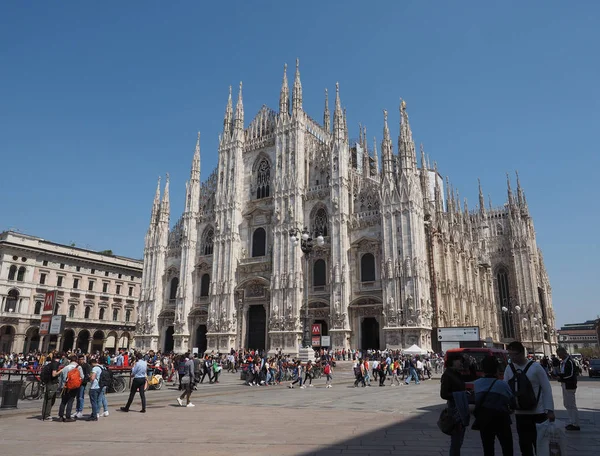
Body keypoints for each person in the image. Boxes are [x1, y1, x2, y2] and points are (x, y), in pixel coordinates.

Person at [503, 341, 554, 456]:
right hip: (520, 412)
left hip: (538, 412)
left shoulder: (536, 367)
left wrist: (549, 409)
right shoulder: (509, 368)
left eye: (513, 354)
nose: (511, 357)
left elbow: (546, 389)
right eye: (509, 354)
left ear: (521, 353)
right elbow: (505, 388)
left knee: (540, 444)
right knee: (524, 445)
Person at [473, 356, 515, 456]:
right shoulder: (502, 385)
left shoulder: (477, 384)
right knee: (507, 447)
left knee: (488, 448)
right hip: (501, 419)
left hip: (484, 420)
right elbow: (512, 401)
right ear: (496, 369)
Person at [440, 352, 469, 456]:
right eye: (459, 361)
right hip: (455, 411)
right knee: (456, 441)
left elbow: (471, 374)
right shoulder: (447, 375)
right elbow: (443, 394)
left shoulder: (457, 373)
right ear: (453, 361)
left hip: (461, 408)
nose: (461, 363)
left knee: (459, 439)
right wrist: (459, 395)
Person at [555, 347, 580, 431]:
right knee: (567, 404)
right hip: (565, 385)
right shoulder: (564, 362)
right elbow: (565, 373)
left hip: (569, 385)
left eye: (559, 354)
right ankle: (572, 421)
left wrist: (561, 377)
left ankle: (575, 424)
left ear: (563, 353)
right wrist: (559, 375)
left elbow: (571, 374)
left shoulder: (570, 362)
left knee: (571, 405)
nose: (559, 356)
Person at [57, 355, 84, 422]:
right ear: (76, 360)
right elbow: (82, 377)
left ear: (70, 361)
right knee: (70, 401)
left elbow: (61, 377)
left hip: (65, 386)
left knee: (63, 401)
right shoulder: (78, 367)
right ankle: (68, 416)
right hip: (74, 386)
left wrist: (60, 386)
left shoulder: (66, 367)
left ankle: (60, 416)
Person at [41, 352, 62, 421]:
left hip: (48, 383)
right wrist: (61, 370)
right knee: (50, 399)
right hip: (52, 383)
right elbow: (54, 374)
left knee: (46, 399)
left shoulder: (49, 364)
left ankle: (44, 414)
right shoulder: (55, 364)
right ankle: (47, 415)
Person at [74, 354, 90, 419]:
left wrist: (83, 381)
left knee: (81, 397)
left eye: (82, 359)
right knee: (77, 397)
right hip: (77, 383)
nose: (80, 361)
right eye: (79, 359)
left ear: (84, 359)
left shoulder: (86, 366)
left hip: (82, 383)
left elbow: (87, 375)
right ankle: (77, 410)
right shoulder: (77, 366)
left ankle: (80, 411)